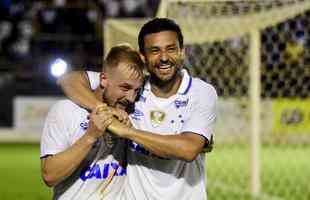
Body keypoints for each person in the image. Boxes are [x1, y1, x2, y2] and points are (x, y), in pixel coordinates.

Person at [58, 18, 217, 200]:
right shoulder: (133, 88)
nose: (164, 57)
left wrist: (126, 131)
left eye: (171, 49)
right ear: (143, 57)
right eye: (155, 51)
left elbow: (188, 150)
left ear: (182, 52)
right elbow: (69, 80)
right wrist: (103, 110)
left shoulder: (201, 91)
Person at [40, 44, 145, 200]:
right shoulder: (65, 110)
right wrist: (90, 136)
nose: (131, 97)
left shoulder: (134, 111)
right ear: (103, 79)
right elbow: (49, 175)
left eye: (137, 90)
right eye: (125, 88)